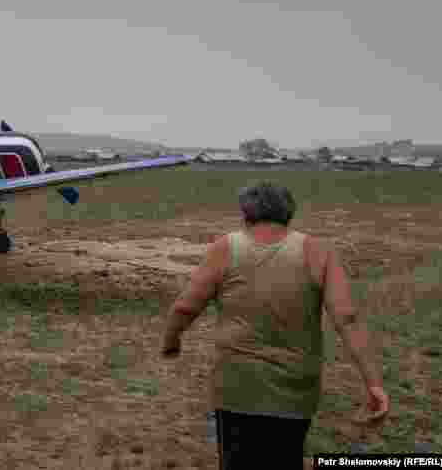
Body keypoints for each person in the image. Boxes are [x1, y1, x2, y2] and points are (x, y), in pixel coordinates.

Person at [160, 181, 388, 467]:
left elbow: (184, 307)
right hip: (295, 390)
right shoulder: (319, 251)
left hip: (237, 386)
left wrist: (171, 342)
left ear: (246, 213)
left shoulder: (226, 248)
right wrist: (374, 383)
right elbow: (347, 318)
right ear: (289, 213)